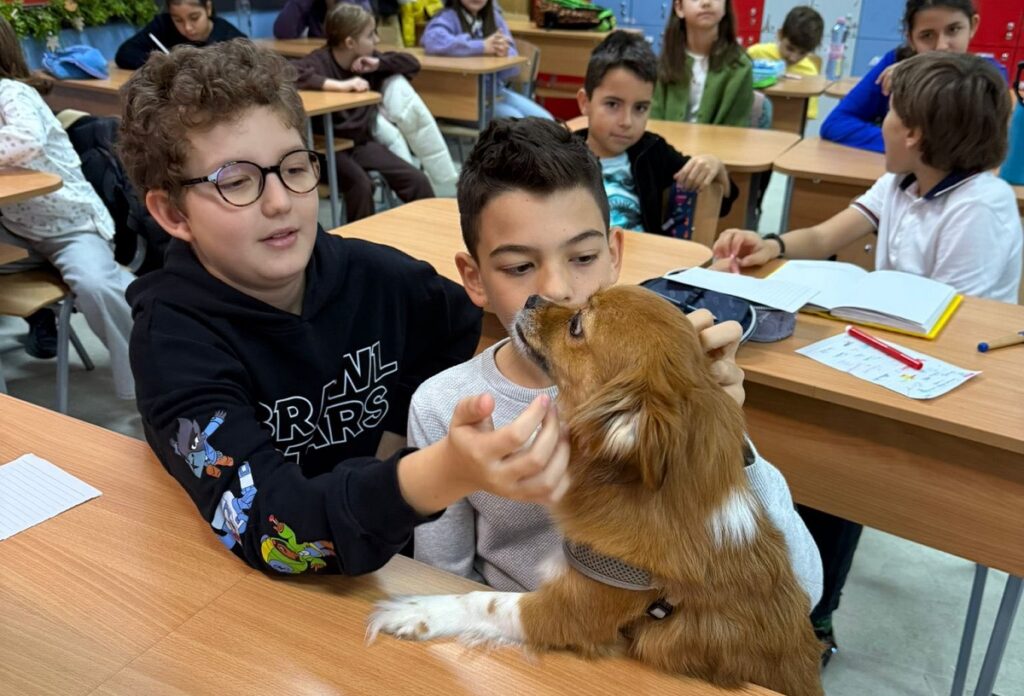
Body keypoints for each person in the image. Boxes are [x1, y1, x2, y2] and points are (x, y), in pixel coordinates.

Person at [118, 39, 570, 575]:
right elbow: (274, 532)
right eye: (236, 181)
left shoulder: (380, 278)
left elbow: (456, 322)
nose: (280, 201)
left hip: (390, 562)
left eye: (294, 168)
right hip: (264, 591)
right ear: (173, 214)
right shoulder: (172, 344)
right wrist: (441, 471)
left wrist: (397, 437)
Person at [411, 117, 824, 610]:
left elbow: (803, 587)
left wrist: (721, 434)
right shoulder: (443, 407)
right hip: (516, 634)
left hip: (659, 637)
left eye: (583, 257)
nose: (557, 289)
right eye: (519, 267)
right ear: (475, 278)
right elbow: (442, 588)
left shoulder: (651, 382)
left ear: (613, 254)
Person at [713, 51, 1022, 661]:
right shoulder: (902, 182)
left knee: (835, 472)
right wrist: (768, 243)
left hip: (950, 380)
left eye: (890, 114)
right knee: (811, 454)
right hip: (881, 355)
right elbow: (828, 235)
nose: (880, 123)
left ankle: (815, 621)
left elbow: (954, 322)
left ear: (915, 134)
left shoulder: (979, 206)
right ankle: (786, 595)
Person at [0, 16, 135, 396]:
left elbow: (25, 140)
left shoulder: (13, 92)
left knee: (96, 285)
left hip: (69, 225)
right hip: (16, 229)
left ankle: (148, 378)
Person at [575, 30, 737, 236]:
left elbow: (720, 203)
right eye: (613, 104)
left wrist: (716, 167)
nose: (627, 122)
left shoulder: (653, 151)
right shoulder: (564, 156)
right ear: (585, 102)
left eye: (640, 108)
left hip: (647, 255)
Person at [294, 4, 435, 220]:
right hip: (327, 150)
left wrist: (378, 64)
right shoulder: (321, 61)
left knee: (417, 180)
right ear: (350, 43)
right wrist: (339, 85)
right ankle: (359, 239)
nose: (376, 40)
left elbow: (412, 64)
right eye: (370, 35)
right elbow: (288, 72)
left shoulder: (368, 62)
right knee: (360, 185)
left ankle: (431, 229)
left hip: (360, 144)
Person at [820, 0, 1006, 153]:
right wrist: (903, 146)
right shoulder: (894, 66)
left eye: (953, 30)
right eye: (927, 35)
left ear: (973, 26)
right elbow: (836, 123)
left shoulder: (988, 77)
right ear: (911, 38)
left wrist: (914, 146)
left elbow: (973, 146)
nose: (941, 46)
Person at [421, 0, 553, 120]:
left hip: (496, 93)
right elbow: (433, 41)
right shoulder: (448, 17)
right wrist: (481, 46)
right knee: (518, 122)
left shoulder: (494, 17)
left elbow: (513, 69)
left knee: (547, 120)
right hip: (464, 101)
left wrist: (504, 52)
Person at [650, 0, 753, 126]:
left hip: (718, 139)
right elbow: (654, 120)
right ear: (679, 8)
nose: (706, 2)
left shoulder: (740, 67)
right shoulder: (666, 62)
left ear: (725, 6)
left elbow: (735, 128)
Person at [115, 0, 245, 70]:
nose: (187, 27)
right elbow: (125, 53)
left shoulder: (231, 37)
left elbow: (245, 68)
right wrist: (161, 62)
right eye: (178, 20)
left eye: (194, 18)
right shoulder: (163, 25)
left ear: (208, 8)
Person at [747, 5, 824, 119]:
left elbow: (806, 116)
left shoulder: (810, 72)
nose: (793, 58)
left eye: (802, 53)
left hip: (789, 123)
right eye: (790, 48)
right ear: (780, 34)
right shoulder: (755, 54)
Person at [273, 0, 374, 39]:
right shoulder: (312, 4)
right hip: (317, 61)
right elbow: (283, 33)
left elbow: (348, 38)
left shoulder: (359, 4)